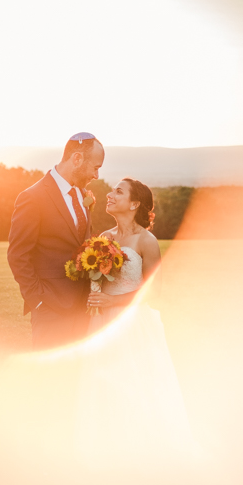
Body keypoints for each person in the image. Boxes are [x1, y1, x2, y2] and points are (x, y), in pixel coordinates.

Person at [75, 178, 199, 465]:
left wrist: (112, 302)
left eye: (119, 191)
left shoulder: (146, 241)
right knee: (104, 383)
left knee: (135, 383)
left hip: (133, 325)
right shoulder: (103, 238)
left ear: (134, 204)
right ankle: (107, 450)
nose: (110, 194)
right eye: (112, 190)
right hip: (101, 322)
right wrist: (96, 294)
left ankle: (141, 453)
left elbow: (154, 290)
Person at [7, 132, 105, 350]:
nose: (97, 175)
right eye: (95, 167)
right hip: (50, 310)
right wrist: (39, 301)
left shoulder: (82, 195)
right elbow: (17, 256)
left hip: (83, 309)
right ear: (77, 159)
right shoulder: (32, 197)